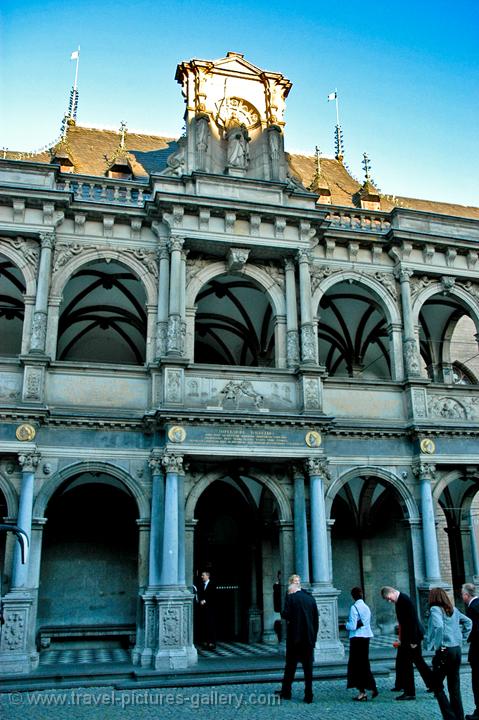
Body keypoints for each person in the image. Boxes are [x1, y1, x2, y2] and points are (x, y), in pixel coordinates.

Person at [426, 587, 472, 720]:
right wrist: (461, 639)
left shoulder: (435, 609)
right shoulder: (453, 609)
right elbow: (468, 622)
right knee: (454, 686)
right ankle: (458, 716)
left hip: (445, 650)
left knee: (436, 685)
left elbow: (439, 626)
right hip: (456, 649)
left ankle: (450, 717)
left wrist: (439, 645)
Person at [381, 585, 433, 700]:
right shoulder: (401, 600)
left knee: (409, 664)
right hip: (409, 638)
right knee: (415, 662)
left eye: (389, 598)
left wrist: (413, 641)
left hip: (412, 638)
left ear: (392, 592)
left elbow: (411, 621)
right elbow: (404, 623)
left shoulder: (404, 600)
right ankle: (433, 685)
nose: (389, 601)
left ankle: (410, 692)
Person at [276, 575, 319, 703]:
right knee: (308, 668)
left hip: (294, 639)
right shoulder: (310, 599)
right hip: (308, 639)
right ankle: (308, 694)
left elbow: (285, 614)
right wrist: (313, 637)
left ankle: (286, 692)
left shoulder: (291, 598)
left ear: (291, 589)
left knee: (290, 667)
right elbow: (316, 620)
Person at [345, 587, 378, 701]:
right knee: (364, 663)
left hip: (356, 638)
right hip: (366, 637)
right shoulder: (366, 607)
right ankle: (370, 687)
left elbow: (352, 626)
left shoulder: (354, 608)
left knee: (356, 665)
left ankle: (362, 691)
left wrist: (346, 625)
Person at [462, 583, 479, 720]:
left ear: (467, 595)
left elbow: (474, 629)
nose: (462, 598)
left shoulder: (472, 608)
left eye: (462, 595)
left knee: (477, 682)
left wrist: (465, 637)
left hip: (478, 651)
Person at [196, 570, 216, 649]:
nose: (202, 577)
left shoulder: (212, 584)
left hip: (211, 609)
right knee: (205, 625)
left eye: (203, 575)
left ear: (208, 576)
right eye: (201, 575)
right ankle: (206, 642)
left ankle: (212, 643)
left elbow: (214, 596)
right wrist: (201, 600)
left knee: (211, 625)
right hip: (204, 609)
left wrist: (205, 600)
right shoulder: (201, 585)